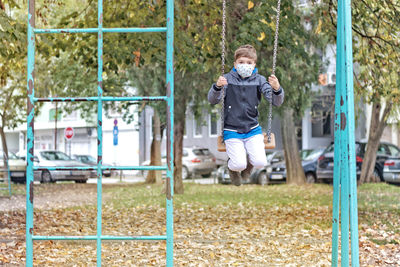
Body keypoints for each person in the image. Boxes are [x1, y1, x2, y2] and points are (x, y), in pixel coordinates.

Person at [208, 44, 284, 186]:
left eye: (249, 63)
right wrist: (217, 86)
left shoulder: (259, 80)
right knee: (238, 164)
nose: (245, 65)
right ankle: (232, 168)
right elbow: (212, 99)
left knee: (260, 162)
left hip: (252, 128)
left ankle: (247, 168)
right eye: (241, 62)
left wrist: (277, 88)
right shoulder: (226, 79)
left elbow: (276, 102)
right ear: (235, 64)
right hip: (232, 129)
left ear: (254, 64)